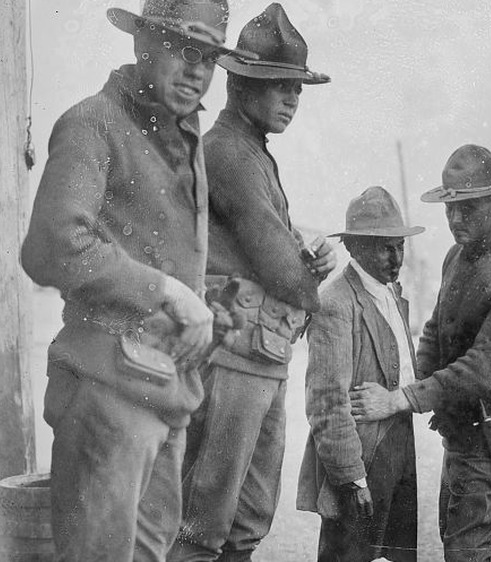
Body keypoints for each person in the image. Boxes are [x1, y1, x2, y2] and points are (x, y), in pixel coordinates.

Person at [19, 0, 253, 559]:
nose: (198, 70)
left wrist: (209, 307)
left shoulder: (183, 136)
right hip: (106, 394)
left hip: (165, 394)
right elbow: (51, 246)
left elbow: (165, 251)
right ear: (142, 45)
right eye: (183, 49)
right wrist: (168, 292)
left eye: (211, 58)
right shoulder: (92, 122)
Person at [168, 4, 335, 560]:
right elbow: (283, 268)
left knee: (249, 516)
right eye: (280, 86)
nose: (292, 99)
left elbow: (281, 255)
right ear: (240, 85)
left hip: (260, 353)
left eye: (297, 89)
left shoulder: (252, 152)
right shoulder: (229, 153)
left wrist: (301, 265)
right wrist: (310, 280)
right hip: (235, 352)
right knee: (205, 518)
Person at [349, 144, 491, 561]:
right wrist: (415, 381)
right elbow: (437, 330)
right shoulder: (456, 256)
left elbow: (481, 369)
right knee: (454, 535)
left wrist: (401, 399)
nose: (456, 220)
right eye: (450, 209)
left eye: (469, 209)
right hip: (461, 428)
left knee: (466, 548)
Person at [297, 186, 425, 562]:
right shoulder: (335, 302)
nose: (395, 256)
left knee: (400, 555)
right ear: (354, 248)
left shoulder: (391, 294)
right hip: (360, 464)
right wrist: (352, 478)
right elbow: (326, 404)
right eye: (384, 247)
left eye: (399, 245)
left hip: (400, 452)